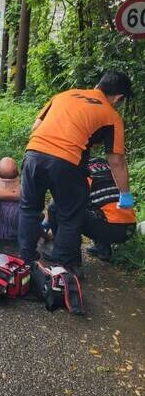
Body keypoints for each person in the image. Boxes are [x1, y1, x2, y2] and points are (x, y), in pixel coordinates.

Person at [18, 71, 135, 275]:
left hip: (33, 153)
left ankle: (26, 261)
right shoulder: (111, 115)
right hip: (67, 162)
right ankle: (64, 269)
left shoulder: (65, 95)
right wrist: (124, 193)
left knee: (29, 209)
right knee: (70, 215)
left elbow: (36, 126)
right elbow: (116, 161)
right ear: (118, 97)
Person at [46, 157, 136, 261]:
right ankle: (103, 249)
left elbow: (63, 203)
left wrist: (46, 225)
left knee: (56, 208)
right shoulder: (105, 162)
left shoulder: (76, 169)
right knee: (98, 204)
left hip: (107, 227)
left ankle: (62, 254)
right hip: (130, 227)